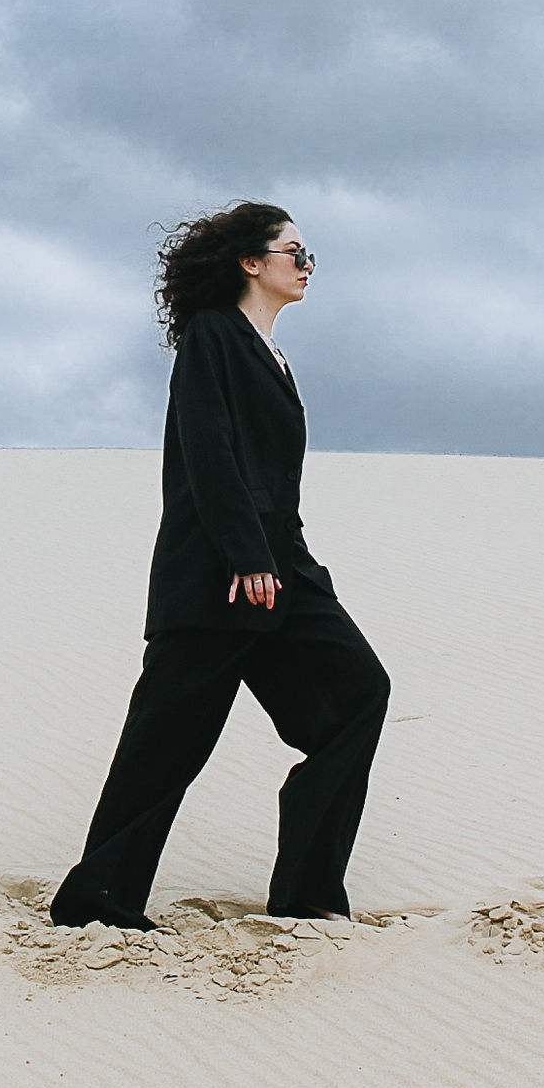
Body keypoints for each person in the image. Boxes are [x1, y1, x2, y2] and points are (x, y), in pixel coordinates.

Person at [49, 203, 391, 931]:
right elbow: (208, 451)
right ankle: (97, 900)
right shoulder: (213, 338)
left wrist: (294, 567)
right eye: (294, 251)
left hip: (283, 574)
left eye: (310, 256)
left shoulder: (272, 355)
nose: (305, 266)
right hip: (219, 577)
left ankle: (307, 893)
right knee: (165, 744)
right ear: (250, 262)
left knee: (359, 693)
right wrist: (244, 553)